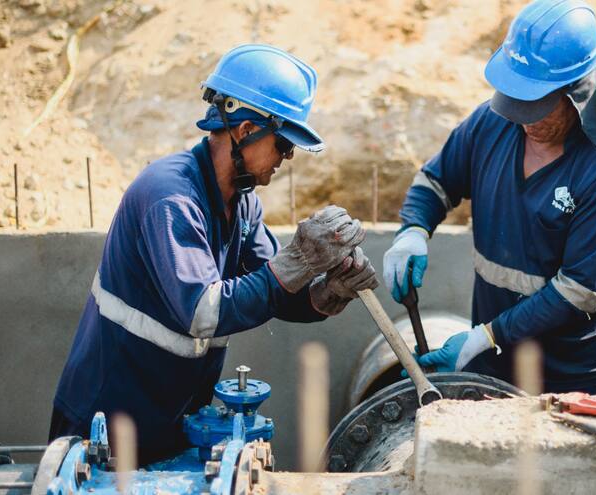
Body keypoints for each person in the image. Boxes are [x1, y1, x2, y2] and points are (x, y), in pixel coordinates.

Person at [50, 44, 377, 463]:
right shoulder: (170, 197)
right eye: (282, 144)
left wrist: (328, 292)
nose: (286, 158)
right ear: (245, 131)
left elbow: (274, 289)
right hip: (105, 430)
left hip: (171, 425)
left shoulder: (242, 203)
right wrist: (298, 258)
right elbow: (202, 313)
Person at [383, 0, 596, 395]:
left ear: (577, 95)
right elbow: (437, 179)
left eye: (537, 106)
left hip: (574, 378)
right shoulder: (492, 125)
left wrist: (484, 337)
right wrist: (413, 230)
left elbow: (578, 292)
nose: (525, 119)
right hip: (495, 364)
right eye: (517, 102)